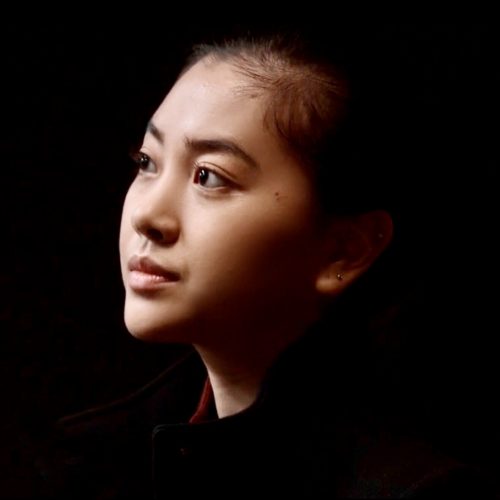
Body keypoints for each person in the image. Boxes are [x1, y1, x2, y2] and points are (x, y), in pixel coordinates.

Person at [28, 31, 496, 499]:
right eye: (147, 162)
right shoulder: (96, 464)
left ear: (344, 250)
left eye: (208, 176)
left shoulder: (420, 489)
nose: (147, 216)